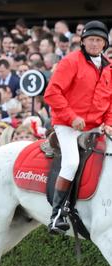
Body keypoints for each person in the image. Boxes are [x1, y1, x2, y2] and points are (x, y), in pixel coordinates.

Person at [43, 20, 112, 234]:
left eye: (99, 40)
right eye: (91, 39)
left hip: (94, 127)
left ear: (104, 44)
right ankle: (57, 214)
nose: (94, 43)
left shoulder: (109, 68)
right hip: (67, 125)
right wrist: (72, 117)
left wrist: (109, 123)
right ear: (83, 41)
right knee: (72, 162)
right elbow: (52, 93)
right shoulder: (70, 62)